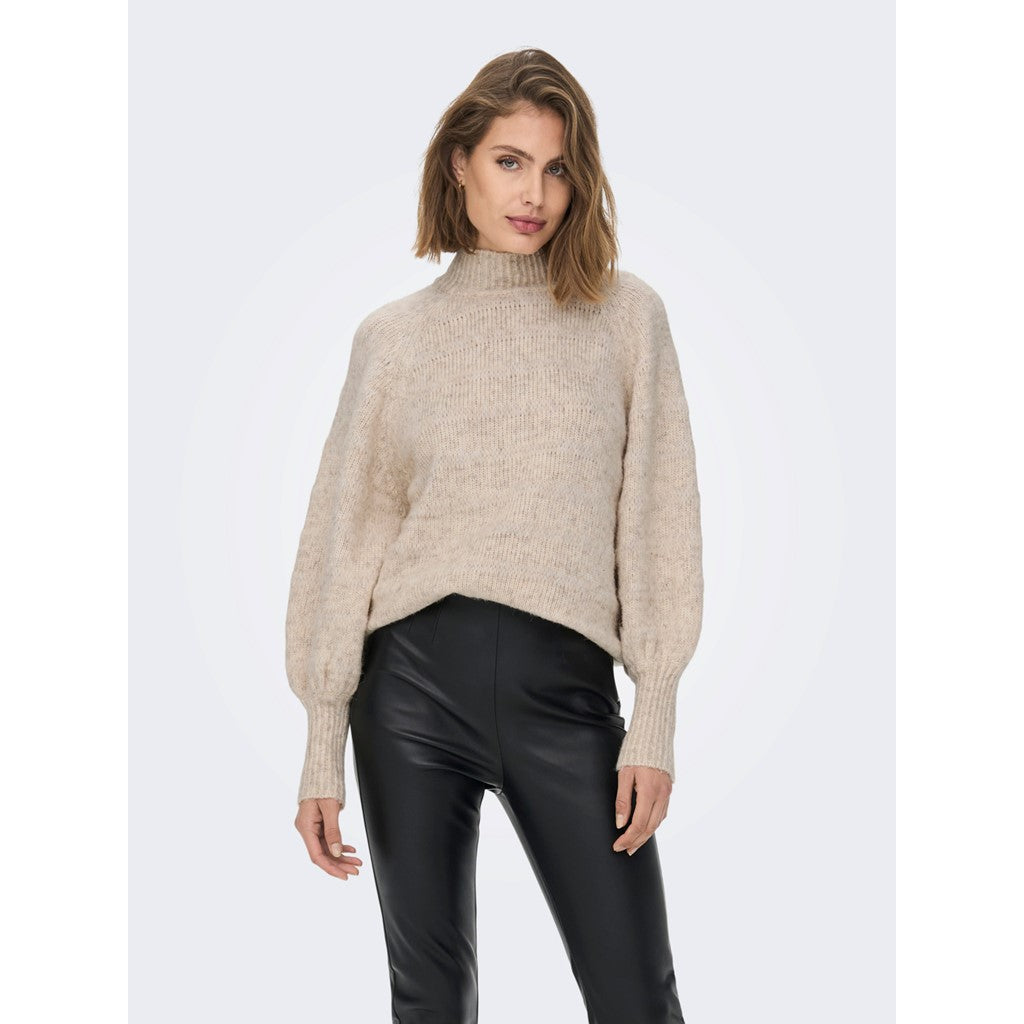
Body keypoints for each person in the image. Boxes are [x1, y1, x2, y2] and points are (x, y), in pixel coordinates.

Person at [285, 47, 703, 1024]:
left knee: (636, 994)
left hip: (566, 695)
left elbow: (659, 519)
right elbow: (344, 539)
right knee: (429, 999)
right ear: (459, 164)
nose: (534, 193)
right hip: (407, 693)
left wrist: (654, 715)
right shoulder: (392, 340)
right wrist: (321, 742)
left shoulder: (625, 318)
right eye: (510, 161)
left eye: (557, 168)